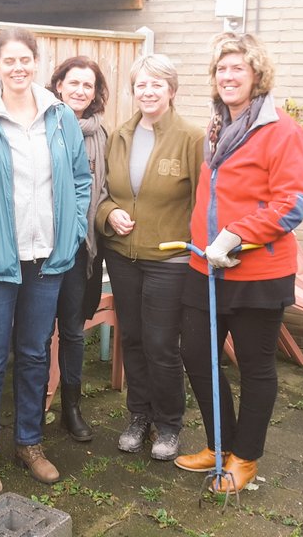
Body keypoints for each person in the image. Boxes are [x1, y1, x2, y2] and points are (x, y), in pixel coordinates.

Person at [0, 27, 91, 497]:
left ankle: (29, 443)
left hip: (48, 260)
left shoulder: (60, 117)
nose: (18, 67)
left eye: (25, 60)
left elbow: (80, 179)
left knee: (35, 355)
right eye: (9, 60)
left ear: (36, 62)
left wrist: (71, 234)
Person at [174, 33, 303, 494]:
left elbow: (291, 205)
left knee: (255, 369)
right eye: (221, 69)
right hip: (205, 270)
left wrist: (238, 233)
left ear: (257, 75)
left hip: (259, 274)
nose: (228, 76)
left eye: (237, 68)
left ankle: (245, 458)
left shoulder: (282, 132)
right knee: (197, 357)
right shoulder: (216, 128)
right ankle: (219, 446)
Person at [95, 54, 203, 461]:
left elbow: (203, 200)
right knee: (134, 339)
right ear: (133, 90)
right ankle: (138, 415)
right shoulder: (119, 135)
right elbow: (102, 194)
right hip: (123, 256)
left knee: (162, 343)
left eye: (157, 84)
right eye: (142, 84)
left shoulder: (191, 138)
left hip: (170, 259)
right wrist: (109, 215)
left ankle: (170, 422)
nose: (149, 91)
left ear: (172, 91)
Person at [45, 56, 111, 442]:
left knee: (71, 331)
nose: (80, 91)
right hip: (40, 247)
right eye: (74, 83)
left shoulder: (103, 135)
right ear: (59, 85)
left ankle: (72, 406)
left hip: (82, 247)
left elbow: (105, 191)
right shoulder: (42, 125)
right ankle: (34, 402)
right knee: (36, 332)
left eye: (88, 85)